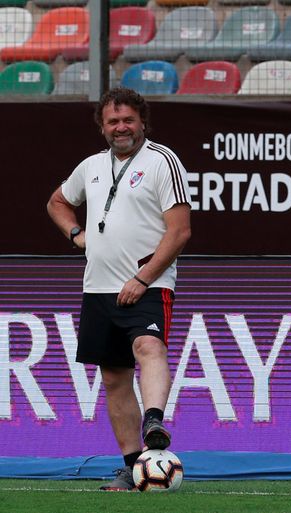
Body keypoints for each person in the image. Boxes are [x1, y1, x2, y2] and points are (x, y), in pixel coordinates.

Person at [47, 87, 191, 491]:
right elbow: (57, 201)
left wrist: (142, 279)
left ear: (142, 121)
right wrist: (76, 233)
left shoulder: (163, 161)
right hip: (98, 288)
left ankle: (155, 419)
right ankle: (133, 467)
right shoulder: (91, 165)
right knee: (113, 379)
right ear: (102, 127)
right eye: (113, 121)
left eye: (128, 119)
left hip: (147, 283)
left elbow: (180, 232)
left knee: (149, 348)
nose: (121, 127)